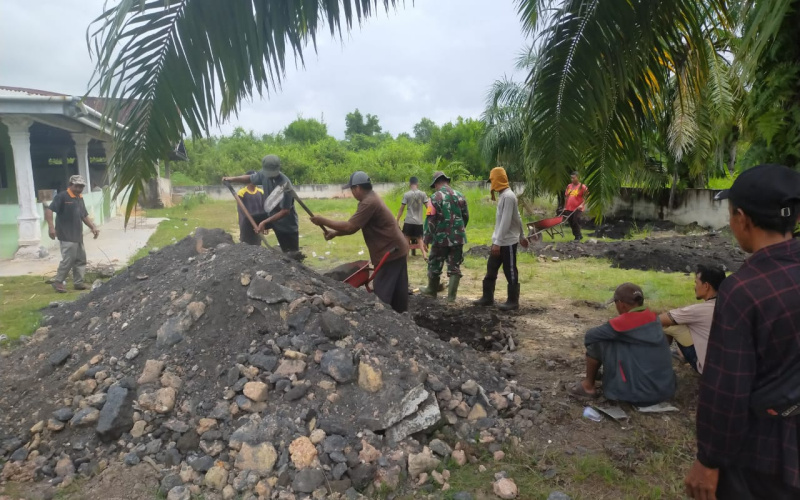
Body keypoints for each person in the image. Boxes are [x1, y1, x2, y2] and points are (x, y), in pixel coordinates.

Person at [685, 164, 800, 500]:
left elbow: (726, 390)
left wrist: (708, 460)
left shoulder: (743, 291)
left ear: (742, 219)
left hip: (763, 454)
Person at [309, 171, 410, 313]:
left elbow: (350, 227)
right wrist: (334, 234)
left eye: (351, 189)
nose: (352, 193)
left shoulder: (369, 202)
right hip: (397, 248)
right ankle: (401, 316)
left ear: (357, 188)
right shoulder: (371, 199)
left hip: (390, 252)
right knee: (398, 291)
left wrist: (323, 220)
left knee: (383, 293)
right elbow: (355, 227)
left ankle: (384, 319)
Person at [570, 282, 676, 405]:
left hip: (635, 395)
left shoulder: (622, 323)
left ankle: (588, 386)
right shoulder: (654, 318)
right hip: (664, 390)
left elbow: (590, 336)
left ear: (621, 304)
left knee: (598, 342)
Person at [473, 167, 528, 310]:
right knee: (491, 268)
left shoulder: (508, 197)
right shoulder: (504, 196)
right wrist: (521, 235)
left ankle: (513, 301)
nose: (492, 183)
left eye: (492, 180)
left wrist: (499, 242)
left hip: (507, 241)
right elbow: (518, 217)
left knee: (510, 270)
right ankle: (487, 297)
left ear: (498, 179)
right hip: (499, 240)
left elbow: (506, 221)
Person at [222, 155, 299, 253]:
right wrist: (232, 179)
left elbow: (285, 211)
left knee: (291, 254)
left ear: (278, 168)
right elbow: (250, 179)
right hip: (271, 214)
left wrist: (264, 222)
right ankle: (250, 251)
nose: (270, 176)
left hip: (286, 223)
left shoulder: (285, 184)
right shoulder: (263, 174)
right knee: (248, 221)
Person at [658, 264, 726, 373]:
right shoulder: (732, 306)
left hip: (710, 371)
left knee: (671, 324)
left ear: (706, 286)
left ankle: (659, 359)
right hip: (732, 364)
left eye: (696, 283)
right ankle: (679, 352)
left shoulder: (698, 311)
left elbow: (659, 320)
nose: (694, 287)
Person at [44, 175, 100, 293]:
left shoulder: (79, 198)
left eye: (81, 186)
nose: (79, 188)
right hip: (66, 234)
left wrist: (93, 227)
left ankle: (78, 283)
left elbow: (83, 215)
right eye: (77, 186)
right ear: (70, 185)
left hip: (77, 235)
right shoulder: (62, 196)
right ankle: (58, 282)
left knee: (80, 259)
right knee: (68, 259)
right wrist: (51, 227)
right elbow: (49, 210)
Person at [419, 171, 469, 302]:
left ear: (436, 184)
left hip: (440, 238)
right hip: (458, 237)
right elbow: (466, 217)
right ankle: (451, 298)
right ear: (447, 182)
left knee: (434, 263)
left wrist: (426, 239)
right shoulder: (460, 196)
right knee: (454, 266)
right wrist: (459, 230)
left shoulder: (434, 197)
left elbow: (430, 220)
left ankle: (431, 290)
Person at [396, 176, 429, 259]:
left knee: (407, 239)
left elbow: (401, 209)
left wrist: (397, 220)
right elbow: (428, 207)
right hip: (419, 222)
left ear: (409, 184)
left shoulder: (406, 195)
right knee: (420, 239)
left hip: (409, 221)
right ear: (417, 184)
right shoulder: (423, 194)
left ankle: (406, 257)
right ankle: (424, 255)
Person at [236, 171, 266, 245]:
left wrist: (265, 224)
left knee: (257, 243)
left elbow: (264, 209)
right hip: (246, 224)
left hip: (258, 223)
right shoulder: (242, 193)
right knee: (246, 244)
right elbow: (241, 211)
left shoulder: (260, 192)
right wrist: (244, 224)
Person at [563, 171, 588, 241]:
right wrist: (565, 207)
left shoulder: (582, 187)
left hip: (577, 208)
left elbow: (587, 197)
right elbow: (566, 197)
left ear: (578, 177)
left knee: (575, 221)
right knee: (571, 222)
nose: (572, 179)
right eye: (571, 178)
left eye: (573, 178)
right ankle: (579, 235)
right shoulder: (569, 186)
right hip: (569, 208)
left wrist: (582, 205)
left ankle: (577, 237)